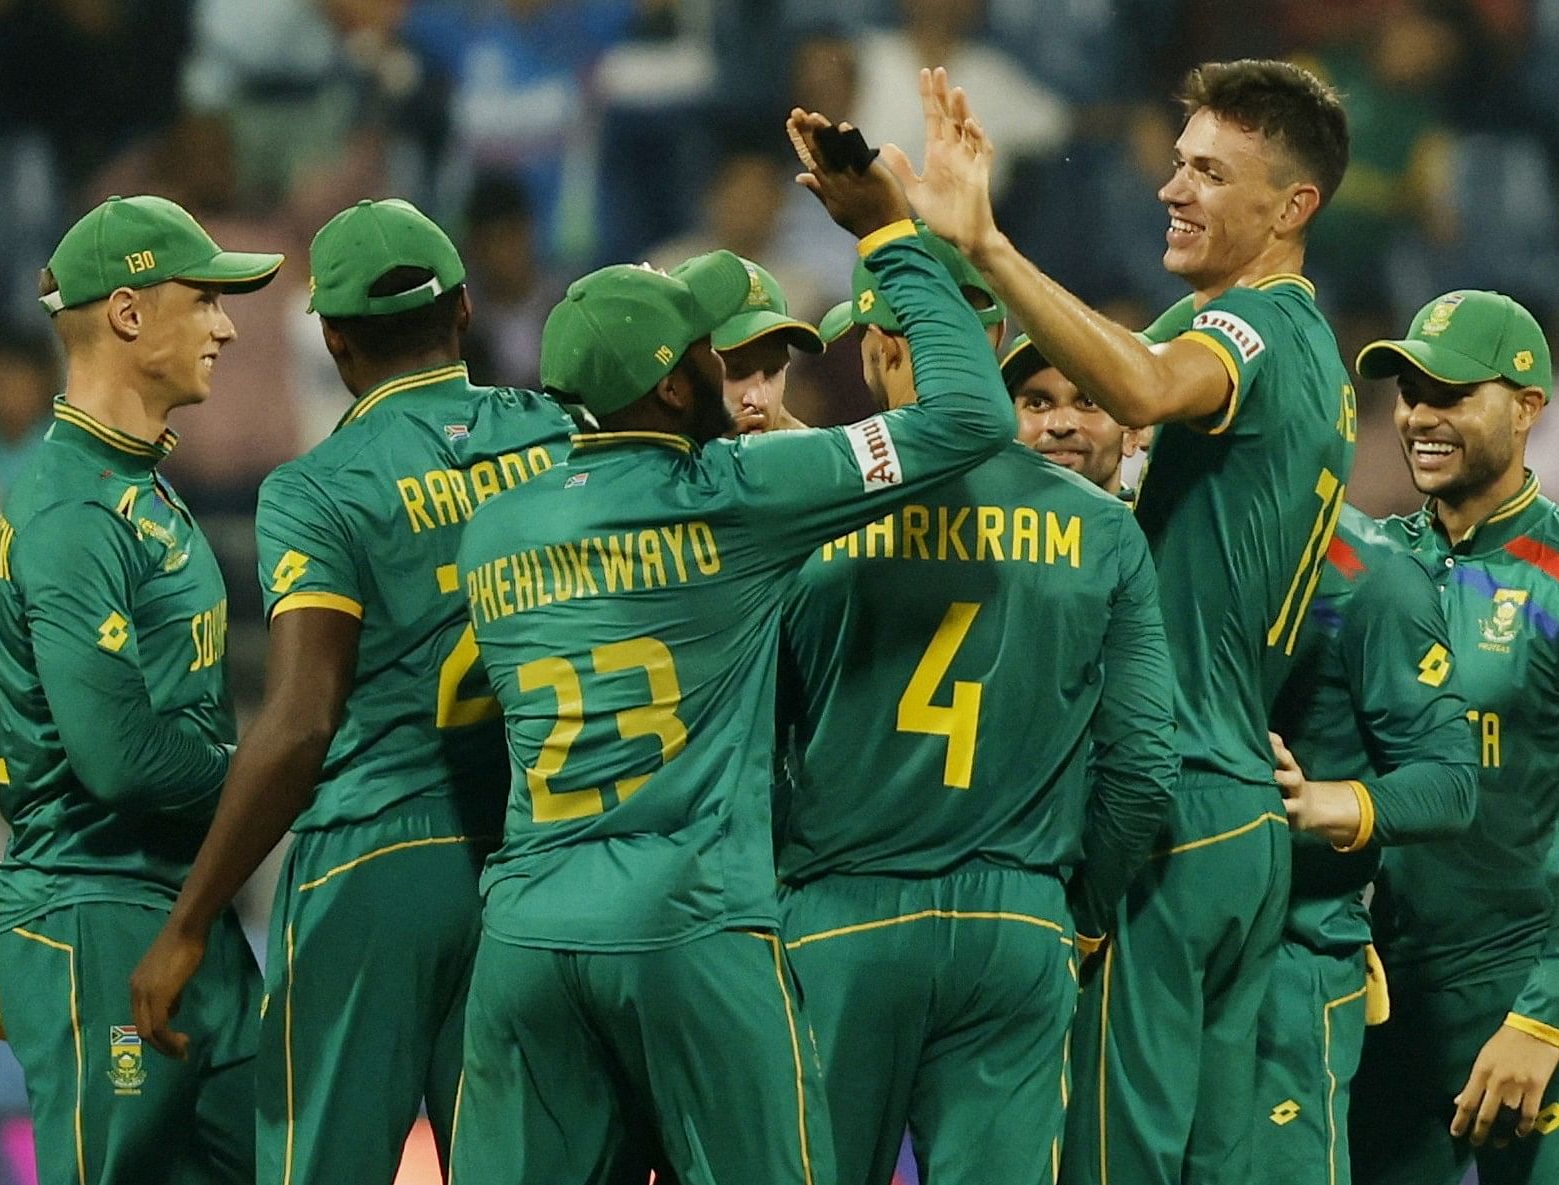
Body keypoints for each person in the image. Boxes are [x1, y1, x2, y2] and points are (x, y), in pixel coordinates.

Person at [443, 110, 1016, 1184]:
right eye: (708, 354)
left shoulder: (497, 525)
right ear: (671, 384)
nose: (728, 373)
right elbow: (973, 418)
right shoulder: (734, 494)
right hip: (687, 920)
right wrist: (891, 237)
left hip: (525, 932)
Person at [886, 60, 1355, 1185]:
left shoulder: (1249, 329)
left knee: (1114, 1162)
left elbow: (1140, 388)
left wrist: (988, 247)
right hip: (1235, 806)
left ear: (1291, 208)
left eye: (1210, 171)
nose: (1173, 190)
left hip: (1169, 805)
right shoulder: (1297, 347)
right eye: (1178, 162)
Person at [127, 199, 574, 1185]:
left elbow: (300, 721)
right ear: (462, 311)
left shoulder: (319, 489)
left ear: (331, 337)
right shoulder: (556, 435)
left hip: (374, 863)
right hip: (532, 858)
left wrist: (191, 918)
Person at [775, 235, 1177, 1185]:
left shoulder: (800, 503)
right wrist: (1069, 915)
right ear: (994, 339)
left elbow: (751, 736)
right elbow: (1143, 768)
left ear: (874, 346)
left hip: (840, 912)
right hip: (1018, 919)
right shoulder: (1102, 529)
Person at [0, 195, 281, 1185]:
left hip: (175, 907)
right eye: (203, 301)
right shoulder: (72, 507)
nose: (228, 326)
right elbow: (115, 757)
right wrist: (276, 775)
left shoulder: (136, 486)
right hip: (97, 912)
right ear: (128, 315)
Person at [1348, 290, 1559, 1185]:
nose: (1419, 416)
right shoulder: (1370, 566)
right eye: (1408, 391)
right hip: (1395, 996)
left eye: (1450, 393)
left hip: (1537, 987)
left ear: (1528, 406)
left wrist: (1540, 1014)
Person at [1256, 504, 1480, 1185]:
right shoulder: (1137, 532)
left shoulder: (1372, 573)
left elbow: (1449, 782)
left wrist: (1321, 800)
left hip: (1292, 954)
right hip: (1131, 955)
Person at [1001, 332, 1144, 496]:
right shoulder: (970, 519)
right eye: (1037, 404)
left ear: (1132, 431)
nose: (1061, 425)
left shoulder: (1158, 521)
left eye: (1088, 402)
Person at [705, 257, 824, 434]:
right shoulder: (651, 455)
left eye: (773, 372)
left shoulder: (811, 454)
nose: (761, 401)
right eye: (736, 371)